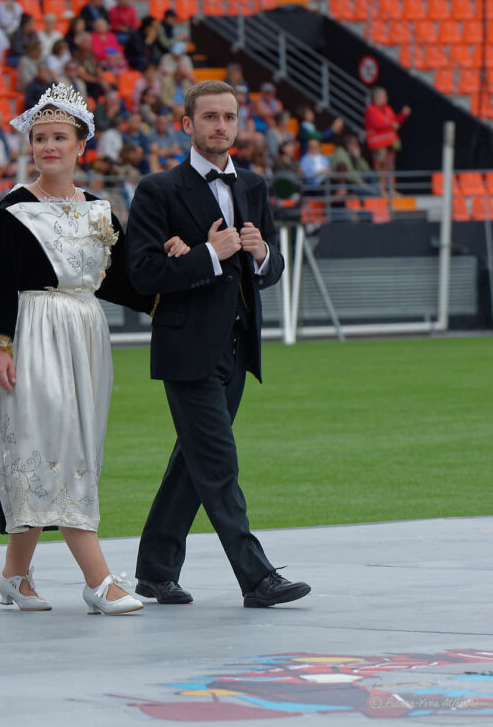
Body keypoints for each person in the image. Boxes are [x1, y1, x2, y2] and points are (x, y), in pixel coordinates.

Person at [0, 83, 175, 615]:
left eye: (59, 137)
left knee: (75, 444)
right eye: (39, 137)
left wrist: (176, 260)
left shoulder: (100, 212)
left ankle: (15, 575)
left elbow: (125, 280)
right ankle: (97, 579)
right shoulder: (14, 208)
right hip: (33, 330)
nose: (48, 146)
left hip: (85, 332)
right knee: (48, 446)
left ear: (82, 145)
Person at [126, 80, 311, 609]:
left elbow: (267, 272)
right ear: (186, 125)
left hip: (237, 351)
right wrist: (207, 254)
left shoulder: (253, 186)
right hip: (187, 352)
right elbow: (141, 273)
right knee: (218, 464)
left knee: (194, 462)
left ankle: (155, 571)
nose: (220, 126)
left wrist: (259, 256)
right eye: (209, 117)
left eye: (228, 117)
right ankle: (257, 578)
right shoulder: (158, 189)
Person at [363, 86, 409, 198]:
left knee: (390, 167)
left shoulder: (387, 109)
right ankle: (382, 190)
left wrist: (403, 115)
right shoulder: (371, 110)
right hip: (378, 146)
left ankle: (391, 190)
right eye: (384, 95)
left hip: (390, 144)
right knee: (380, 167)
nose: (386, 97)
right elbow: (378, 124)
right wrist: (391, 124)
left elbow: (395, 122)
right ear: (376, 97)